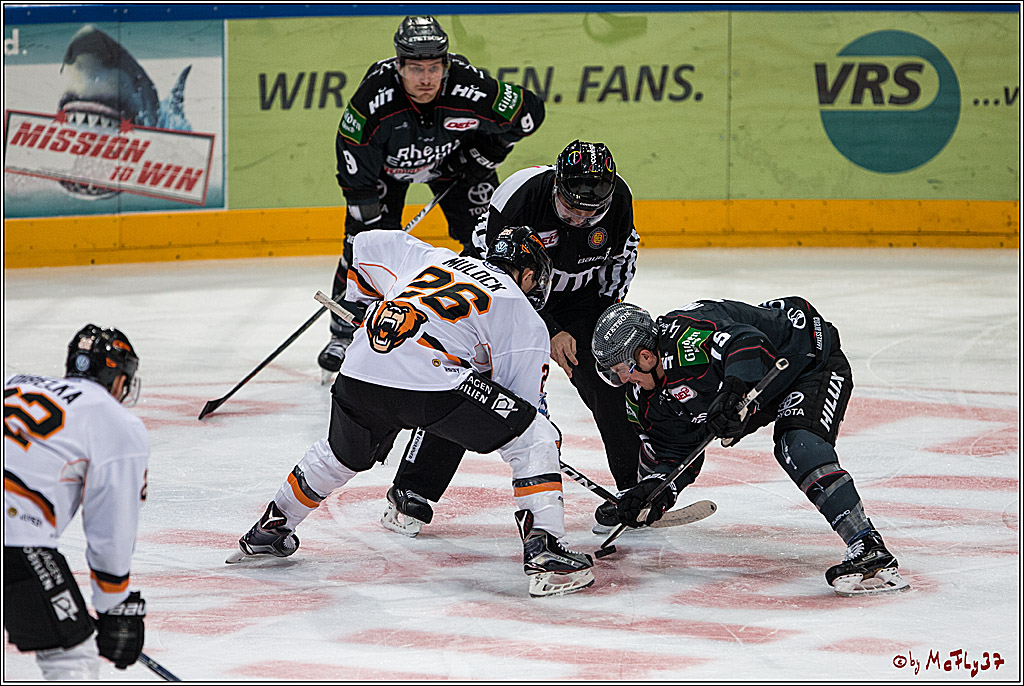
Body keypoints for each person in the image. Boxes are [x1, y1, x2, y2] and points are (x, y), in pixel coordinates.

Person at [231, 227, 595, 598]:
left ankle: (270, 529)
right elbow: (524, 408)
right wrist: (542, 449)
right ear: (530, 273)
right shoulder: (519, 307)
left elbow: (365, 244)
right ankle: (545, 551)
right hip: (430, 385)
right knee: (535, 435)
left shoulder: (434, 258)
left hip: (358, 370)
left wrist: (363, 303)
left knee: (339, 456)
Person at [380, 140, 642, 537]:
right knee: (471, 383)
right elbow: (493, 272)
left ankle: (636, 487)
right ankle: (412, 489)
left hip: (580, 303)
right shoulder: (521, 195)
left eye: (591, 212)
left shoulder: (619, 198)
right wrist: (548, 330)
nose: (580, 218)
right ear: (556, 187)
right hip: (502, 292)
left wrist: (590, 327)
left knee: (607, 376)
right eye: (572, 208)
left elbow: (621, 263)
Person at [589, 298, 910, 597]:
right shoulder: (646, 399)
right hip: (763, 388)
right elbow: (677, 453)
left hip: (807, 360)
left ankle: (868, 546)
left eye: (620, 371)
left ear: (645, 357)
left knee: (796, 446)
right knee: (790, 443)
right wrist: (654, 493)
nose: (622, 382)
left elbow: (749, 342)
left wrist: (734, 390)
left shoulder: (686, 337)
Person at [319, 15, 547, 375]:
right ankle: (345, 332)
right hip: (384, 174)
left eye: (433, 67)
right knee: (362, 247)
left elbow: (529, 113)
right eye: (415, 68)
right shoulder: (372, 102)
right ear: (399, 66)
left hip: (454, 165)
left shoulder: (467, 85)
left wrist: (485, 155)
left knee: (492, 241)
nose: (426, 78)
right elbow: (356, 174)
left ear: (446, 63)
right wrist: (375, 231)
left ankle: (477, 326)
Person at [4, 325, 149, 679]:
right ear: (119, 380)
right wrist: (114, 605)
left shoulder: (14, 383)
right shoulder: (115, 421)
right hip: (14, 537)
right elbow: (110, 525)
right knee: (71, 655)